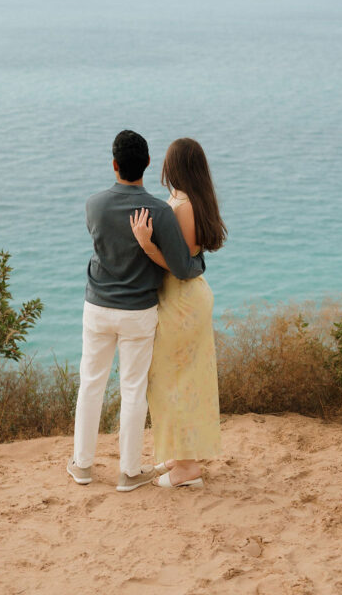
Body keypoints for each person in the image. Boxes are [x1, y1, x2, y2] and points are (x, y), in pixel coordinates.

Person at [68, 129, 205, 493]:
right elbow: (183, 267)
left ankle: (82, 465)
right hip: (138, 312)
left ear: (114, 164)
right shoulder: (159, 211)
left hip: (97, 306)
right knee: (132, 389)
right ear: (146, 163)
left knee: (91, 384)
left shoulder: (93, 204)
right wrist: (199, 262)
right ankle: (128, 472)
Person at [130, 137, 226, 489]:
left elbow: (179, 266)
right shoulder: (196, 200)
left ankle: (187, 467)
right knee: (180, 379)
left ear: (175, 167)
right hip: (189, 298)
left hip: (181, 300)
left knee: (172, 381)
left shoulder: (181, 205)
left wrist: (145, 244)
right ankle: (178, 456)